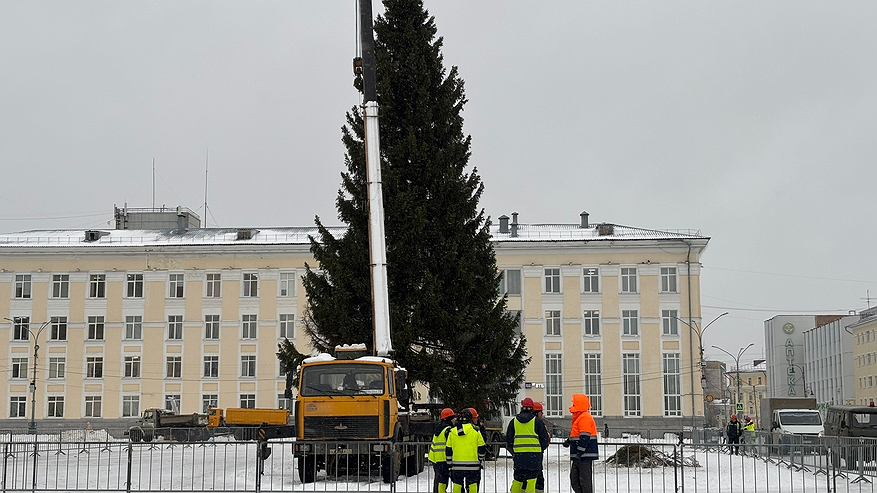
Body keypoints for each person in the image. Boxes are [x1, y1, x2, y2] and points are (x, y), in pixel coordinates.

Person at [506, 398, 550, 493]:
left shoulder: (514, 422)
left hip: (519, 457)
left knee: (517, 479)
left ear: (522, 407)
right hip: (534, 457)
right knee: (531, 480)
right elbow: (545, 439)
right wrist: (540, 449)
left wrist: (514, 452)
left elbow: (508, 440)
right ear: (532, 408)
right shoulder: (537, 422)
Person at [445, 408, 486, 493]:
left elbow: (448, 451)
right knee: (473, 485)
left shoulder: (452, 432)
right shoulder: (476, 431)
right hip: (473, 465)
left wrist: (449, 464)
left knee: (457, 485)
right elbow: (482, 448)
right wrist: (479, 459)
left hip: (456, 465)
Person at [565, 394, 598, 493]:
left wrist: (580, 451)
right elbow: (578, 435)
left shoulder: (584, 417)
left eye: (574, 403)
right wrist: (569, 441)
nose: (572, 404)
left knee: (583, 481)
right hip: (581, 455)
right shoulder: (580, 417)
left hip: (584, 455)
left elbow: (585, 437)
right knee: (575, 479)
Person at [429, 408, 456, 493]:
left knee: (439, 480)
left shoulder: (439, 428)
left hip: (435, 458)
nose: (455, 419)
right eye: (453, 418)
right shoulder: (448, 430)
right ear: (448, 419)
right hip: (443, 459)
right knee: (443, 482)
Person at [533, 402, 550, 493]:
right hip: (536, 457)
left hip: (521, 458)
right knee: (538, 480)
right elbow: (545, 439)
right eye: (541, 412)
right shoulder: (539, 424)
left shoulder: (517, 421)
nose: (542, 414)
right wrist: (540, 449)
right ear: (536, 412)